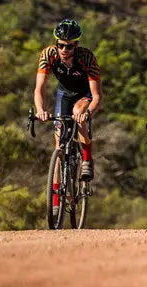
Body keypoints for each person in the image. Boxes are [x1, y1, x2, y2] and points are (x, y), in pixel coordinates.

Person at [34, 18, 102, 181]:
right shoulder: (48, 54)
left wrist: (88, 113)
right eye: (61, 45)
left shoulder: (87, 58)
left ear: (76, 45)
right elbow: (39, 88)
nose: (64, 49)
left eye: (69, 46)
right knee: (59, 145)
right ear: (56, 43)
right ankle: (58, 202)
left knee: (78, 113)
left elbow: (98, 96)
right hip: (64, 94)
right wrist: (40, 110)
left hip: (85, 94)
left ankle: (86, 159)